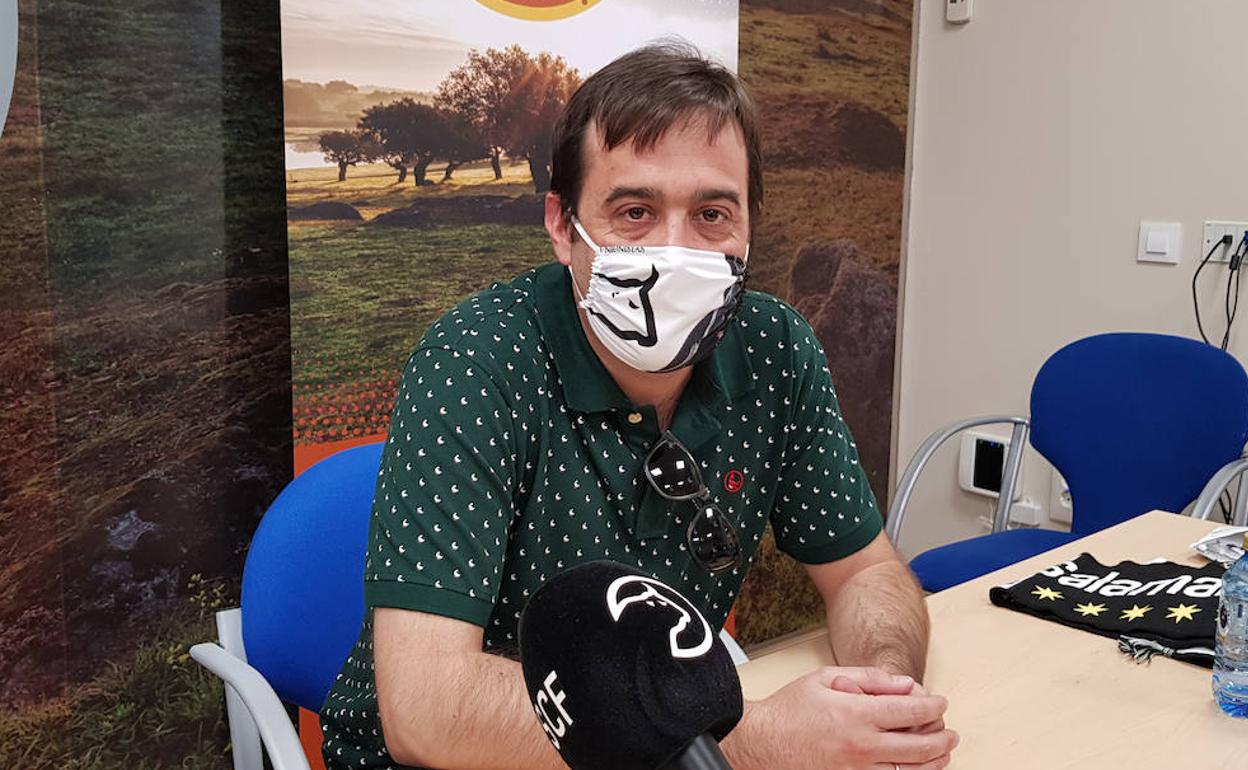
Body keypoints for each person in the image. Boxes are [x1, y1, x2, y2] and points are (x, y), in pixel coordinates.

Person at [319, 42, 958, 770]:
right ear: (563, 226)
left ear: (750, 226)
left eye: (712, 213)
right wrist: (751, 742)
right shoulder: (475, 362)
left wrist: (887, 697)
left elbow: (865, 572)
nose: (674, 250)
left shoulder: (775, 348)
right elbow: (430, 710)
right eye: (634, 211)